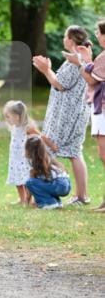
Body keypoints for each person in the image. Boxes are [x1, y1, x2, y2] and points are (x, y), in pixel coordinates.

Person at [32, 25, 91, 205]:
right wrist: (48, 68)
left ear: (71, 40)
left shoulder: (76, 60)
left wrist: (45, 70)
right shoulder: (76, 59)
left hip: (67, 116)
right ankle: (81, 196)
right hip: (72, 114)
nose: (63, 39)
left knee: (48, 148)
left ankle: (43, 194)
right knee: (74, 152)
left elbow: (60, 84)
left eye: (65, 36)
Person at [64, 17, 105, 212]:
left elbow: (91, 79)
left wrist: (81, 62)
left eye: (98, 32)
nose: (96, 35)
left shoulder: (104, 57)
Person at [2, 99, 43, 205]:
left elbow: (39, 138)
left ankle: (28, 199)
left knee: (26, 179)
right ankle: (22, 199)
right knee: (17, 178)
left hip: (25, 158)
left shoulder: (28, 127)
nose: (6, 119)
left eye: (8, 116)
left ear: (17, 116)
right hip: (15, 158)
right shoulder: (14, 127)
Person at [24, 135, 71, 209]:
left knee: (30, 182)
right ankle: (57, 203)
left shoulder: (33, 162)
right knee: (47, 183)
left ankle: (49, 203)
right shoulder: (47, 156)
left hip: (58, 184)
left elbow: (32, 183)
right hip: (66, 185)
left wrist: (27, 201)